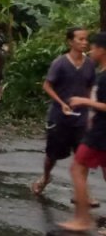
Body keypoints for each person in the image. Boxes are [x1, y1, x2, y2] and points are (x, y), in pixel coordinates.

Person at [32, 27, 96, 199]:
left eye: (86, 39)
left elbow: (90, 86)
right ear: (70, 42)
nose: (84, 42)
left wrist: (90, 109)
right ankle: (45, 177)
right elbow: (47, 85)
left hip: (81, 118)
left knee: (82, 155)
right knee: (52, 155)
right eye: (80, 39)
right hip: (59, 118)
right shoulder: (59, 63)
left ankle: (81, 192)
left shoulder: (90, 63)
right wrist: (61, 103)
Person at [59, 32, 106, 232]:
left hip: (101, 132)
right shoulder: (100, 72)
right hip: (98, 128)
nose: (90, 50)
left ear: (102, 50)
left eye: (94, 47)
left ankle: (83, 218)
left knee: (77, 167)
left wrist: (84, 101)